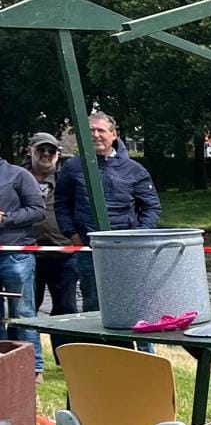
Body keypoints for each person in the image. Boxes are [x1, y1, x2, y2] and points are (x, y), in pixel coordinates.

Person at [55, 111, 161, 313]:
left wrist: (138, 236)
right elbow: (61, 204)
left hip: (127, 249)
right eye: (90, 131)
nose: (95, 135)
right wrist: (72, 234)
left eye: (100, 130)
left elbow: (152, 207)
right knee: (94, 306)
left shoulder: (134, 170)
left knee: (135, 304)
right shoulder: (72, 167)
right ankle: (97, 345)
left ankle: (139, 345)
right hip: (89, 249)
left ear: (114, 134)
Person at [0, 150, 45, 378]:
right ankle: (2, 366)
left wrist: (5, 219)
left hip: (16, 253)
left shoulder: (19, 175)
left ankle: (34, 367)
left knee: (24, 312)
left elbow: (38, 210)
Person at [27, 134, 78, 316]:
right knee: (27, 310)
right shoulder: (18, 178)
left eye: (52, 150)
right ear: (30, 150)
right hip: (28, 254)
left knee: (66, 310)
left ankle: (64, 346)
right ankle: (28, 345)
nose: (46, 154)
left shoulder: (68, 178)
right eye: (41, 149)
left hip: (64, 254)